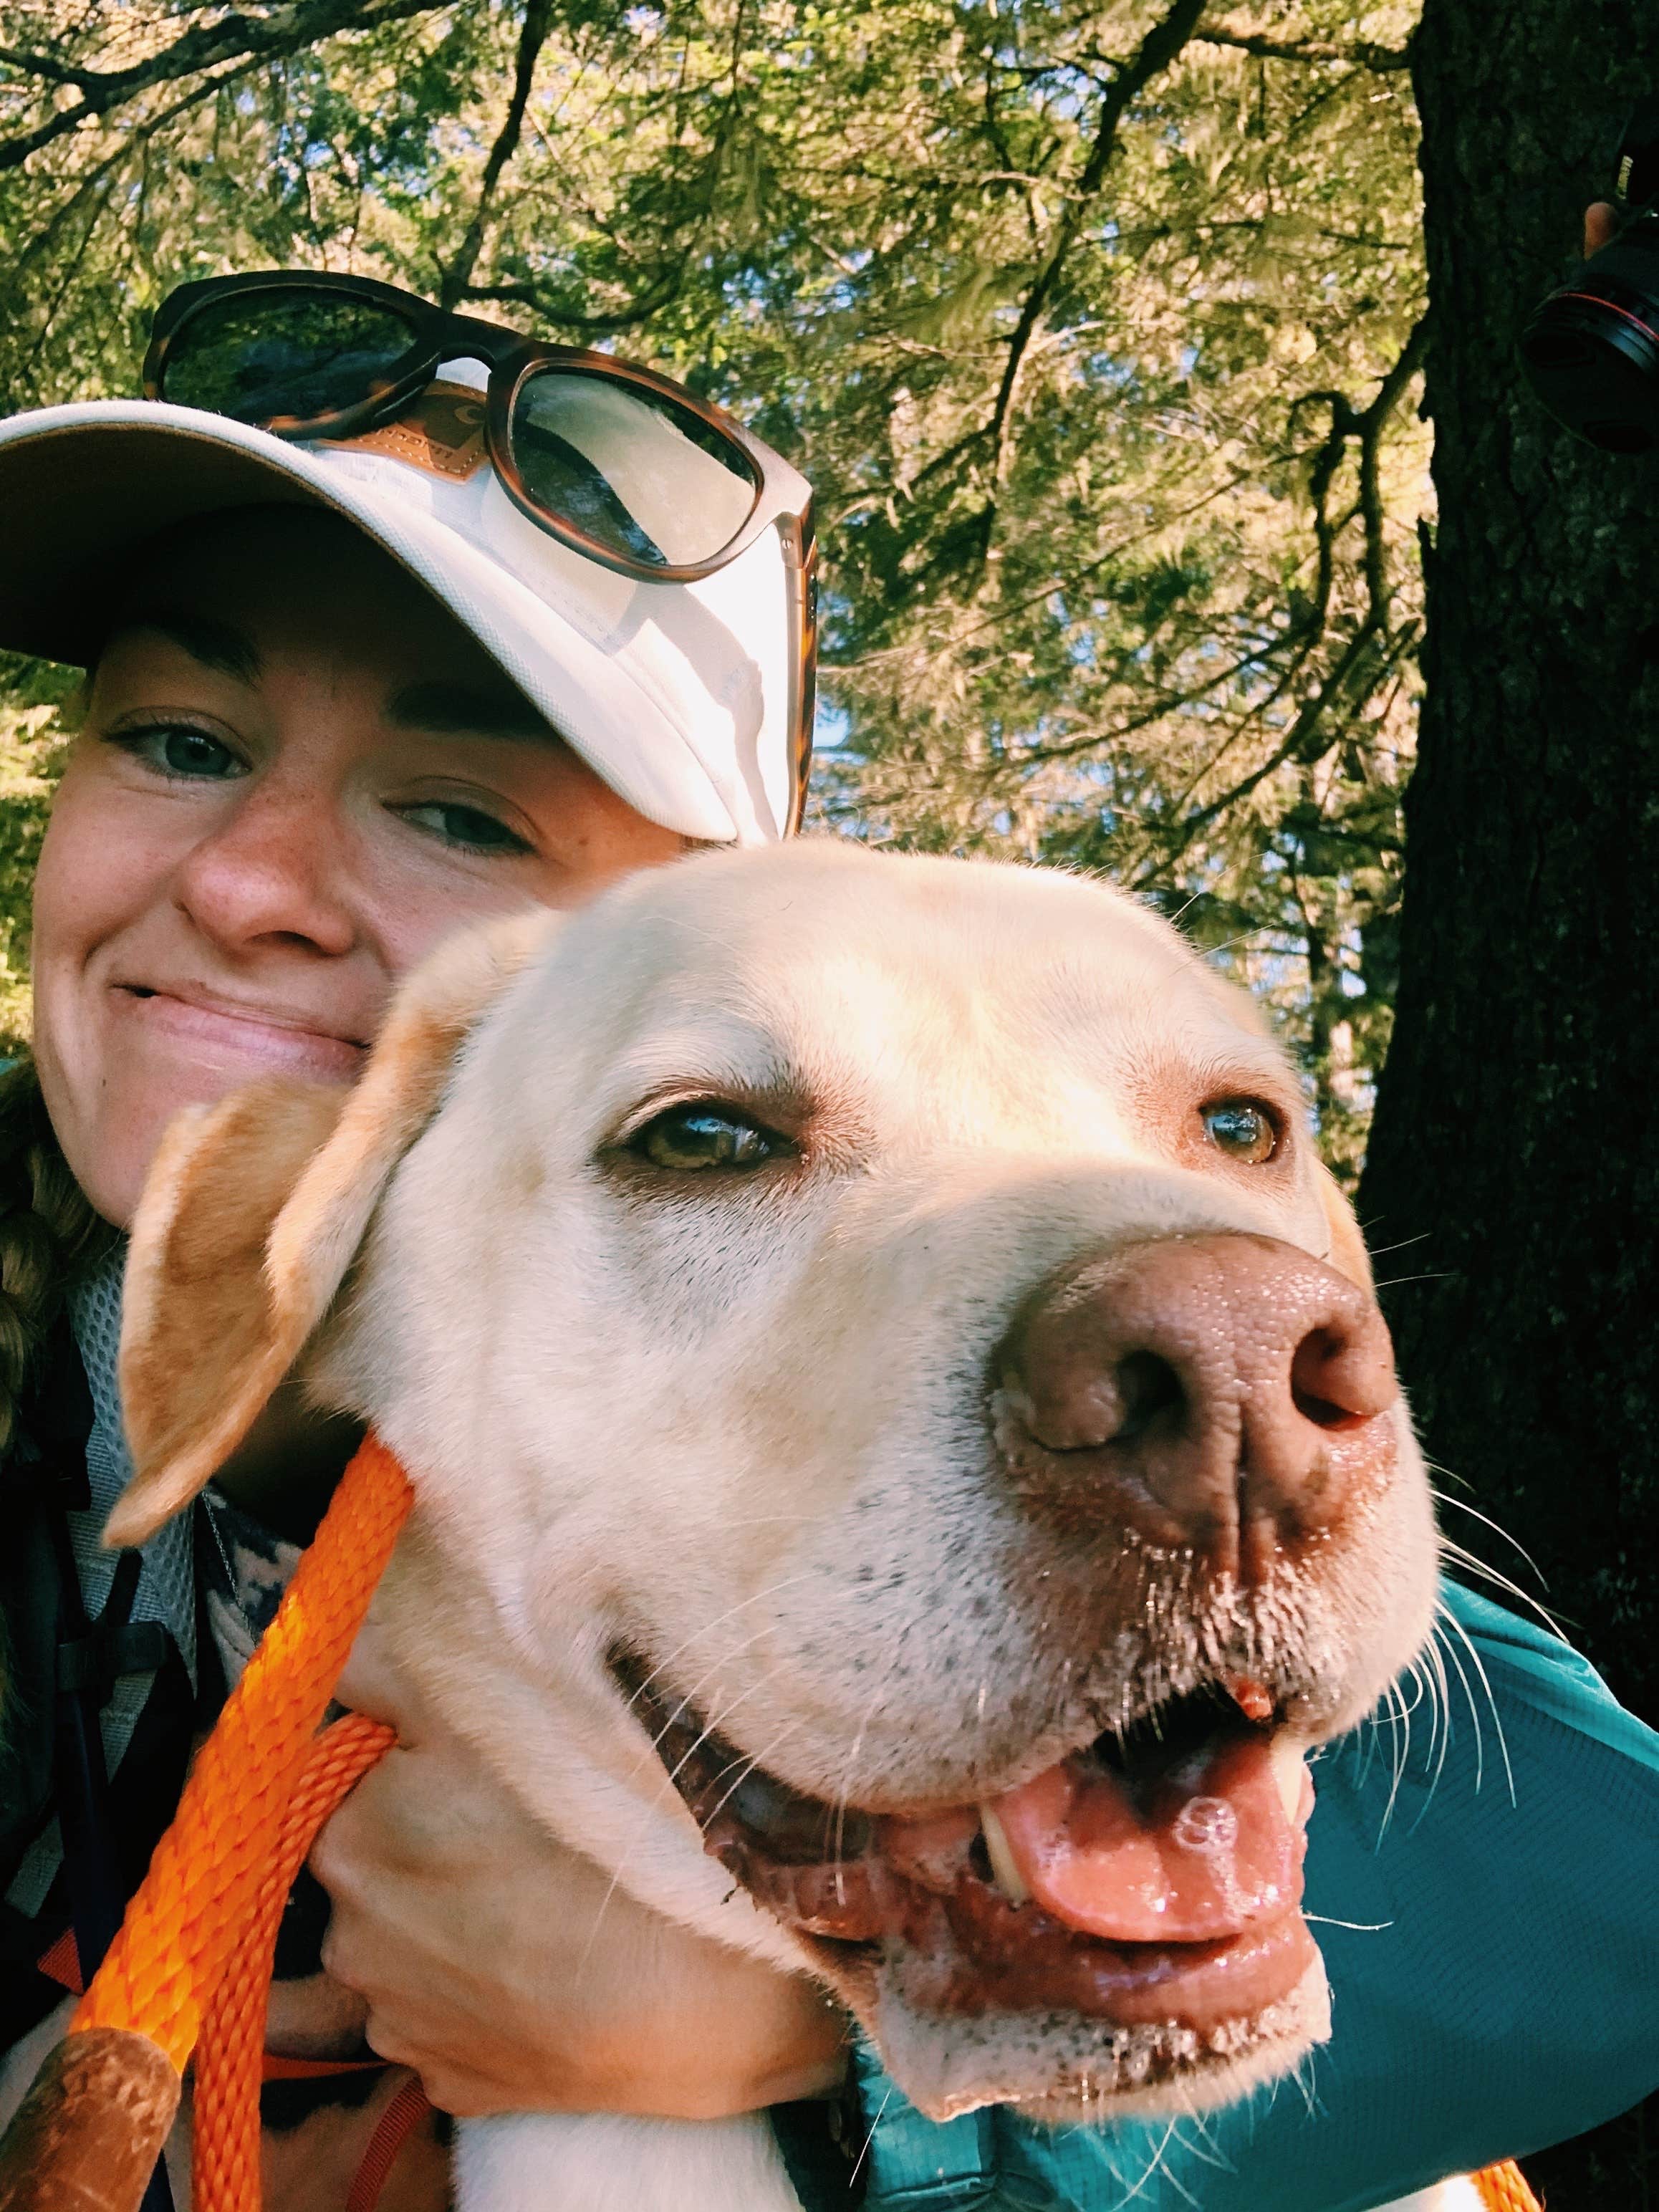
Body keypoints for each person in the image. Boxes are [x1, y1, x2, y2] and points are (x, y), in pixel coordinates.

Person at [0, 268, 1656, 2212]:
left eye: (454, 808)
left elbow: (1587, 1908)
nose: (248, 881)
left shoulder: (1033, 1338)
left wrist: (807, 2047)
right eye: (179, 741)